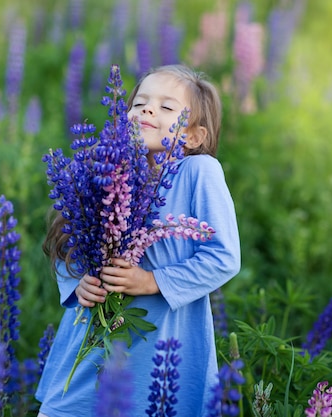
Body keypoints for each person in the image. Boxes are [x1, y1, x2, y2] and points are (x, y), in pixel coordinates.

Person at [35, 64, 241, 416]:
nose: (147, 109)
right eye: (139, 103)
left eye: (166, 107)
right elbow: (67, 237)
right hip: (91, 340)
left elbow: (223, 257)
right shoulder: (103, 167)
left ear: (193, 136)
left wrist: (152, 281)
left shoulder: (198, 171)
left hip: (158, 347)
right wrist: (76, 285)